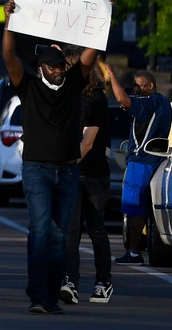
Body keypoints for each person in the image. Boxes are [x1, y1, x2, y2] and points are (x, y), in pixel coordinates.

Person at [2, 0, 97, 314]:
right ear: (41, 66)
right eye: (52, 66)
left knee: (58, 234)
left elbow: (90, 54)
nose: (57, 70)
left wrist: (102, 14)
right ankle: (39, 296)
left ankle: (50, 295)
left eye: (60, 66)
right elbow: (8, 55)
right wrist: (8, 21)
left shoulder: (72, 84)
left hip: (68, 171)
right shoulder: (27, 85)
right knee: (42, 228)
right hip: (37, 171)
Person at [104, 64, 172, 266]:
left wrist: (112, 76)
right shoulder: (164, 103)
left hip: (141, 161)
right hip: (156, 160)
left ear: (150, 85)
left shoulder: (149, 104)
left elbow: (121, 100)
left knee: (134, 209)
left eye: (138, 86)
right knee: (148, 209)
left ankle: (134, 252)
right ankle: (148, 248)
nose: (135, 89)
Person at [61, 56, 113, 304]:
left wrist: (66, 163)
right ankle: (70, 281)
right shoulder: (66, 99)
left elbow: (88, 142)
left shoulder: (96, 100)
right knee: (71, 231)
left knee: (95, 229)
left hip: (92, 173)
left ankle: (104, 281)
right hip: (72, 173)